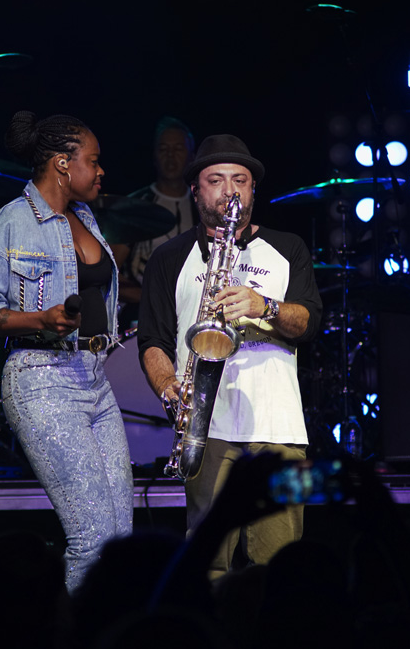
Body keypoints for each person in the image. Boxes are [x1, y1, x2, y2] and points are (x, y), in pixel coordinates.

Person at [0, 111, 133, 592]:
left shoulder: (84, 216)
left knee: (121, 540)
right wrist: (39, 320)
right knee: (91, 537)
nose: (101, 170)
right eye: (94, 161)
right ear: (63, 163)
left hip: (94, 379)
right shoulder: (9, 224)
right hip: (41, 380)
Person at [137, 133, 322, 580]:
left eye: (240, 180)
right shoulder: (168, 257)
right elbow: (153, 342)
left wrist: (266, 307)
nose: (230, 190)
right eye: (215, 180)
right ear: (196, 190)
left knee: (280, 567)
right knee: (207, 566)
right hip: (207, 423)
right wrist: (168, 389)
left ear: (253, 190)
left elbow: (309, 322)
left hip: (279, 425)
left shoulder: (288, 247)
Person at [114, 117, 198, 328]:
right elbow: (108, 272)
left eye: (178, 148)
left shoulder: (203, 207)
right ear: (154, 156)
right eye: (163, 149)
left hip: (193, 314)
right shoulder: (134, 206)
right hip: (141, 315)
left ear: (192, 156)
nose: (170, 156)